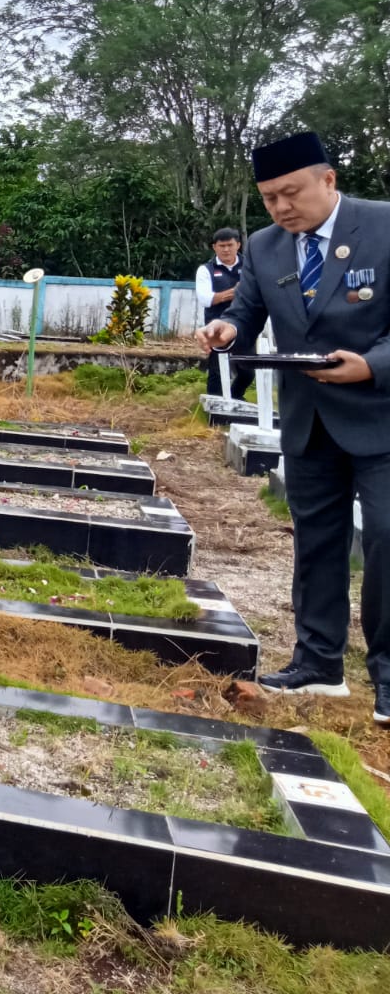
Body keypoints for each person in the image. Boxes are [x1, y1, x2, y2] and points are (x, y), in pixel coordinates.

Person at [196, 131, 390, 723]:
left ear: (328, 180)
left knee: (386, 538)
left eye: (291, 193)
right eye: (269, 198)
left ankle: (387, 673)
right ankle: (318, 663)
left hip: (381, 416)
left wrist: (371, 367)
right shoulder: (265, 246)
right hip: (309, 422)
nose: (281, 208)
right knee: (317, 540)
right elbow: (247, 309)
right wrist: (229, 330)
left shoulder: (383, 227)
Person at [196, 227, 253, 400]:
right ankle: (215, 414)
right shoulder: (206, 270)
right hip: (216, 327)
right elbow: (205, 299)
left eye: (230, 245)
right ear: (214, 247)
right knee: (217, 371)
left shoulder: (251, 266)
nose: (226, 249)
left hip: (245, 326)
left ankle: (235, 399)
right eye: (222, 246)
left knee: (248, 371)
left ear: (238, 245)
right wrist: (234, 292)